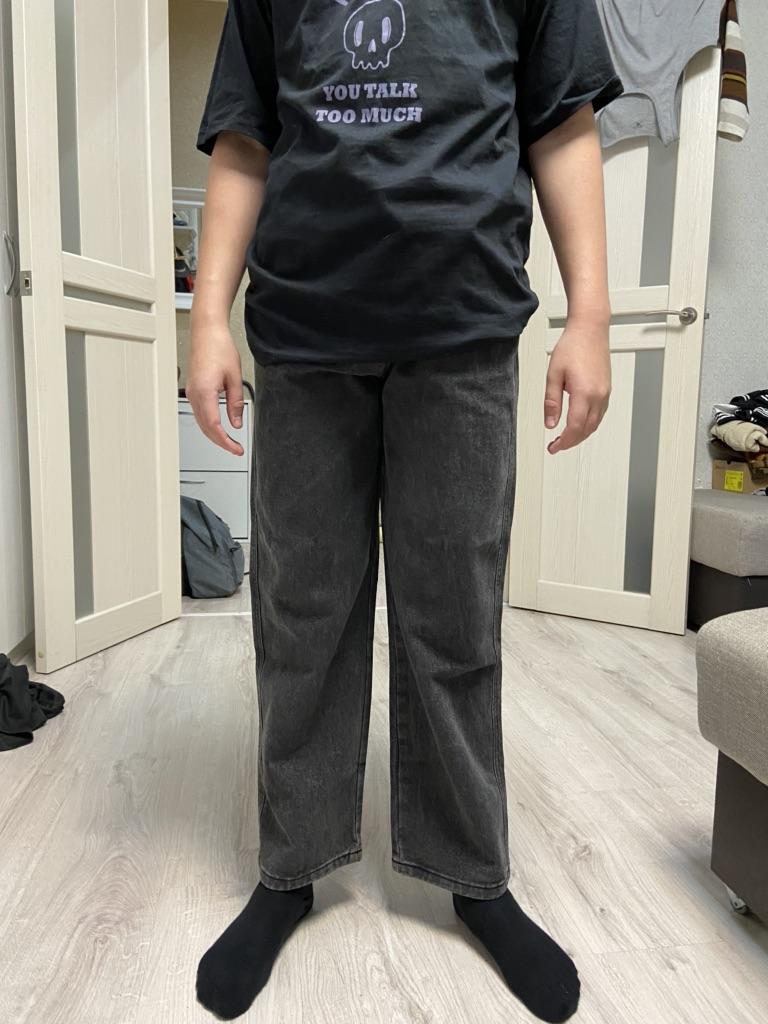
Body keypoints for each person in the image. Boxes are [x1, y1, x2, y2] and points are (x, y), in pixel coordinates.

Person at [187, 1, 624, 1020]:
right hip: (303, 333)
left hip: (463, 327)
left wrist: (592, 316)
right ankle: (291, 867)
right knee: (300, 614)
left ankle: (473, 876)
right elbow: (246, 138)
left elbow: (561, 123)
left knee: (456, 619)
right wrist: (208, 315)